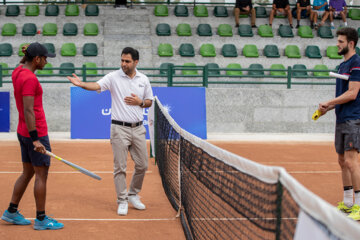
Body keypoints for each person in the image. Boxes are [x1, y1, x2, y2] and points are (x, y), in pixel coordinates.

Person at [67, 47, 153, 216]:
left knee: (143, 165)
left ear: (136, 62)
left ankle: (133, 194)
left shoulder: (144, 79)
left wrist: (140, 102)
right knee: (119, 167)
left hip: (138, 128)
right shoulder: (113, 77)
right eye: (122, 60)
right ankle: (122, 200)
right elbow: (96, 85)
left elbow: (149, 101)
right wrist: (81, 84)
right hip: (119, 129)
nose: (123, 64)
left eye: (127, 61)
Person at [1, 42, 64, 230]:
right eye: (44, 58)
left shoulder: (17, 72)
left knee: (28, 173)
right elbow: (29, 110)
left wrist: (26, 53)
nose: (46, 61)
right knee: (41, 175)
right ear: (36, 59)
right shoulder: (30, 79)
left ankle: (11, 212)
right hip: (35, 132)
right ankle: (41, 219)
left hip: (23, 132)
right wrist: (36, 139)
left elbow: (21, 64)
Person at [317, 27, 360, 221]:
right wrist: (329, 107)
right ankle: (348, 203)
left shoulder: (357, 63)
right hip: (341, 118)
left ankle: (358, 206)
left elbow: (353, 93)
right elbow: (343, 96)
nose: (337, 44)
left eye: (341, 41)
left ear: (351, 44)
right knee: (342, 161)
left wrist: (330, 102)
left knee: (352, 162)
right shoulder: (342, 66)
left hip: (353, 119)